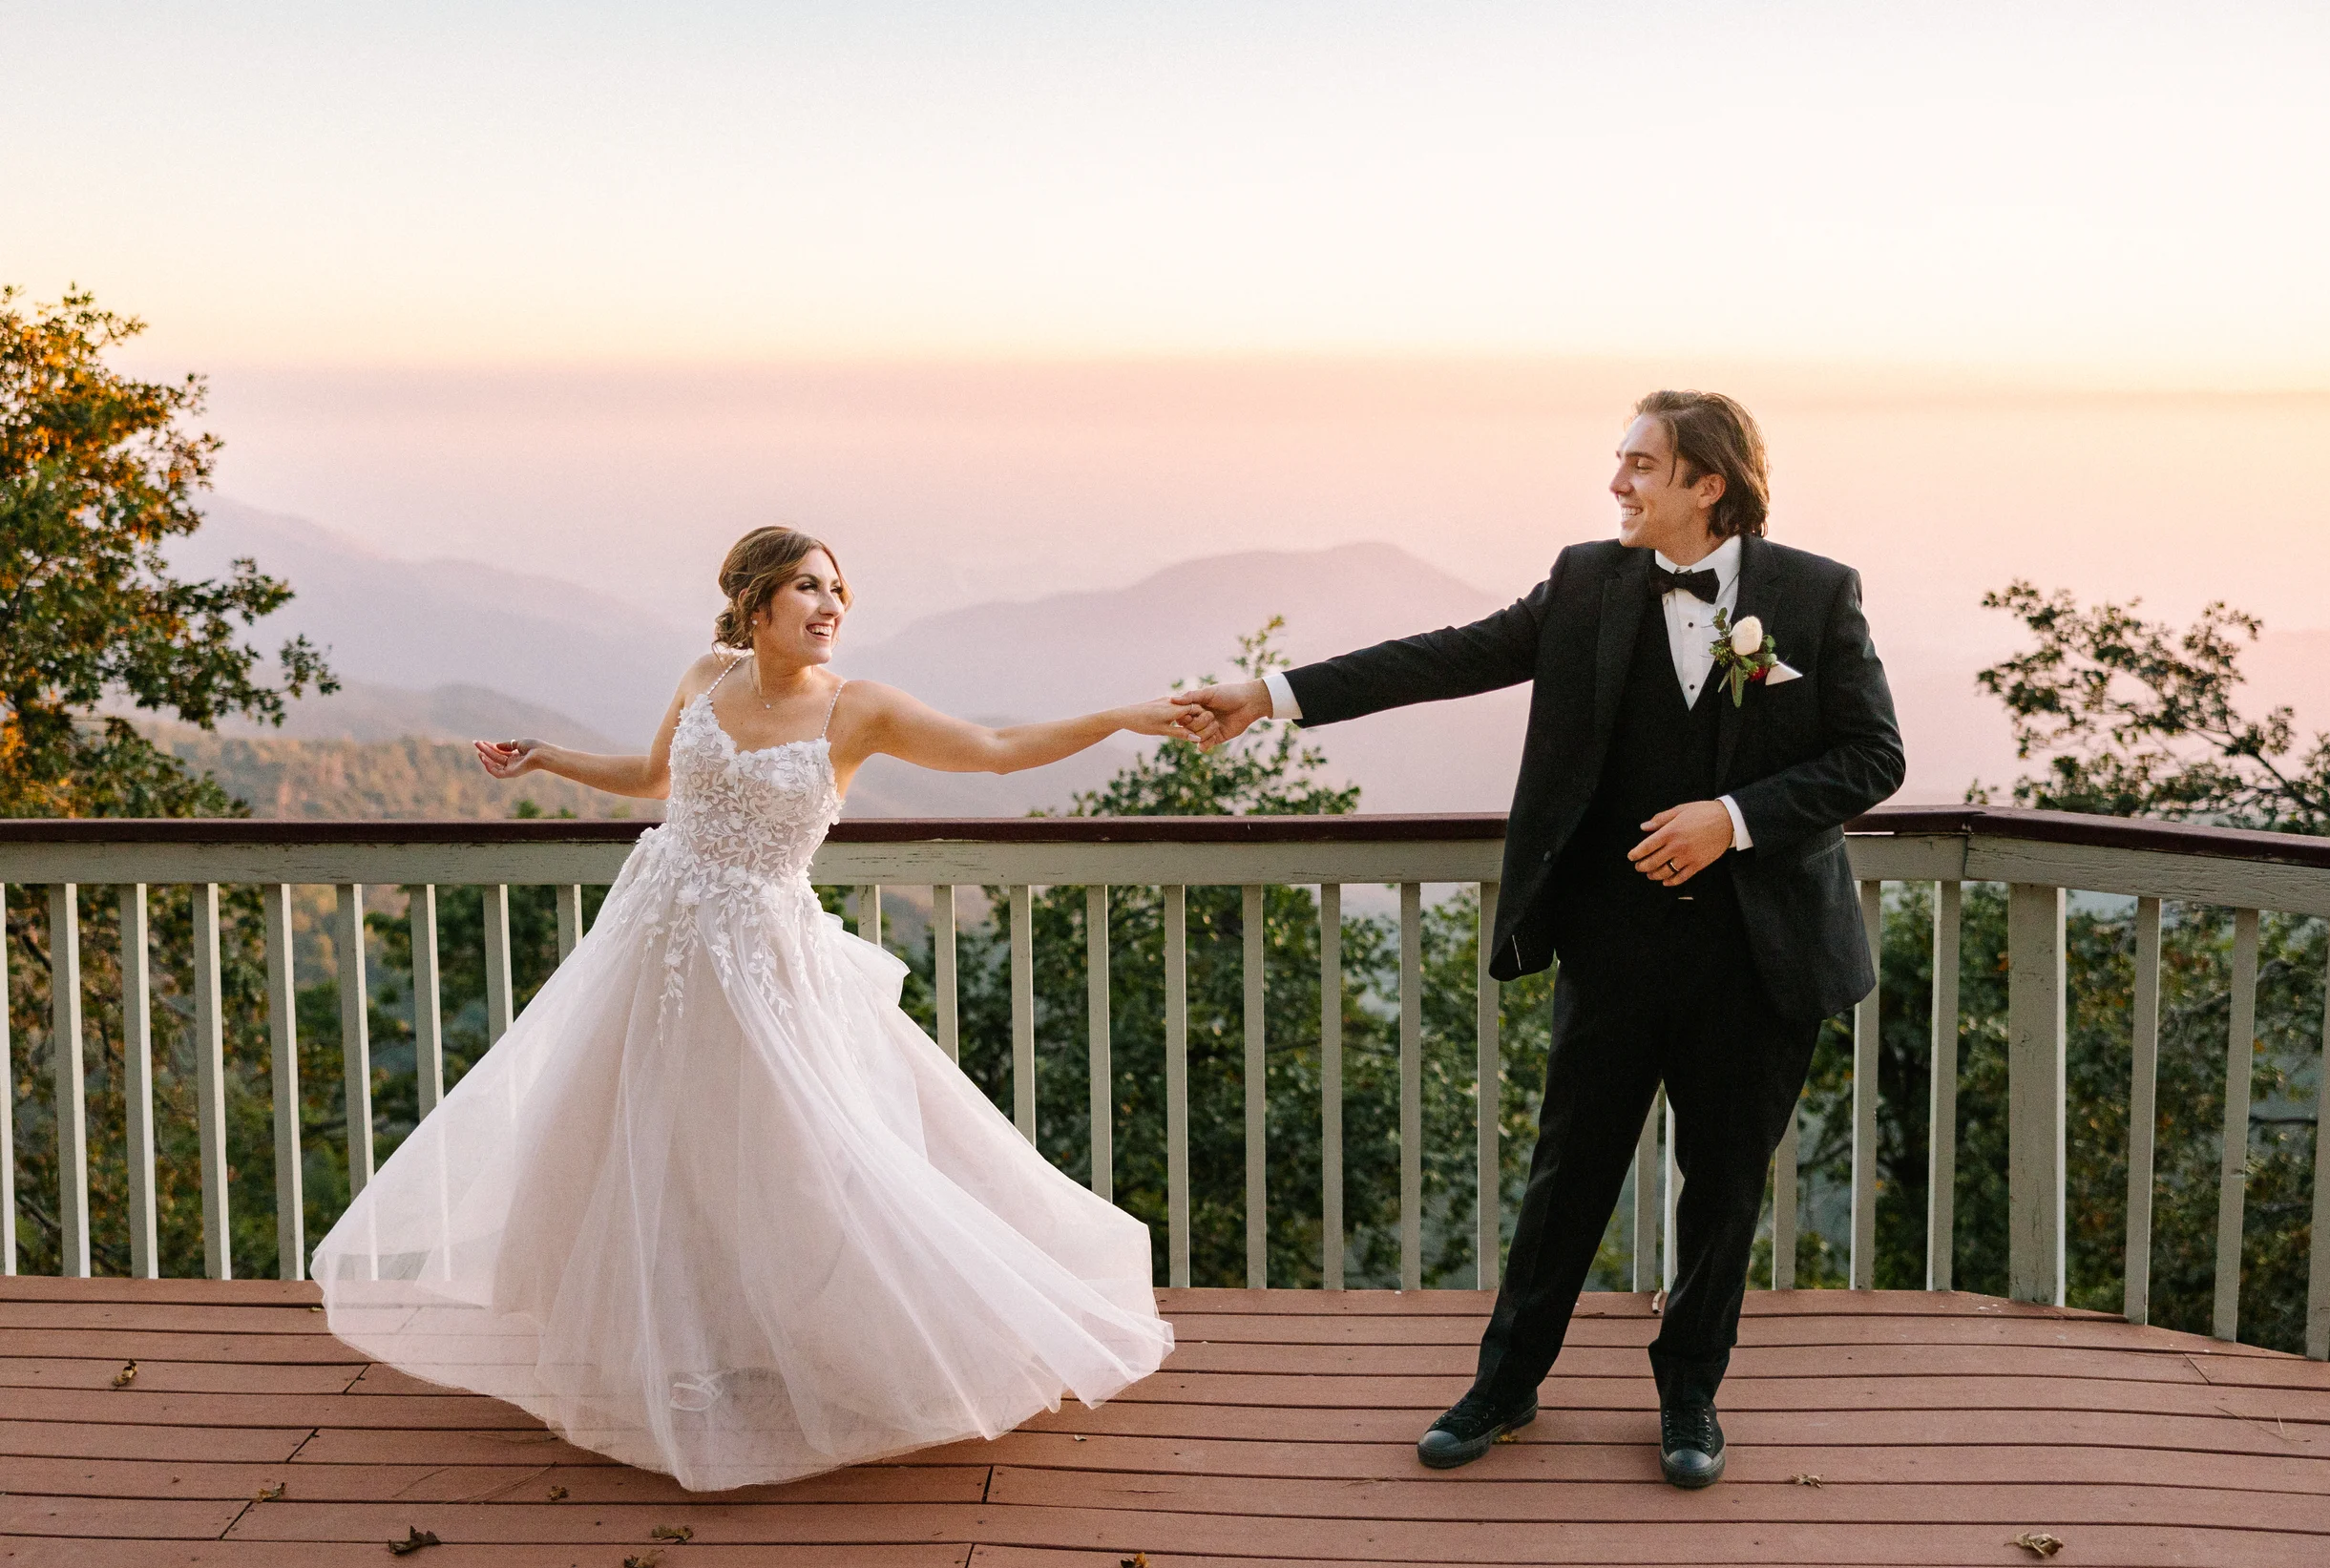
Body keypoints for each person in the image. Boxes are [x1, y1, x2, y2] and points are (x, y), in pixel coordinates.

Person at [309, 525, 1202, 1492]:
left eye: (837, 591)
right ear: (755, 603)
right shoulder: (706, 675)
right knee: (651, 1141)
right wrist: (545, 756)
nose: (831, 607)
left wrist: (1120, 714)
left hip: (763, 955)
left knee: (797, 1156)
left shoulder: (856, 709)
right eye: (809, 588)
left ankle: (831, 1346)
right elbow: (655, 782)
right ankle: (683, 1347)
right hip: (656, 938)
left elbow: (991, 751)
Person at [1175, 391, 1903, 1488]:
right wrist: (1265, 693)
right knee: (1569, 1172)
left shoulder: (1814, 590)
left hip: (1762, 957)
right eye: (1619, 460)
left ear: (1708, 483)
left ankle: (1689, 1397)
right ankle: (1503, 1385)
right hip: (1613, 942)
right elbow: (1441, 655)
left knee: (1723, 1190)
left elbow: (1872, 757)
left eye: (1641, 465)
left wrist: (1733, 818)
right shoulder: (1584, 582)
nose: (1616, 482)